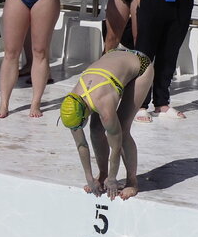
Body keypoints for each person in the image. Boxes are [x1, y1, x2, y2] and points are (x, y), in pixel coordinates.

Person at [59, 48, 154, 200]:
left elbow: (115, 147)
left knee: (122, 129)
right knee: (96, 129)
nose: (76, 130)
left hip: (140, 66)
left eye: (78, 126)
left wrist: (113, 178)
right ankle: (102, 174)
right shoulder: (73, 102)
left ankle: (132, 182)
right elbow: (81, 144)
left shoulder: (104, 108)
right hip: (114, 57)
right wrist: (89, 177)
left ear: (84, 114)